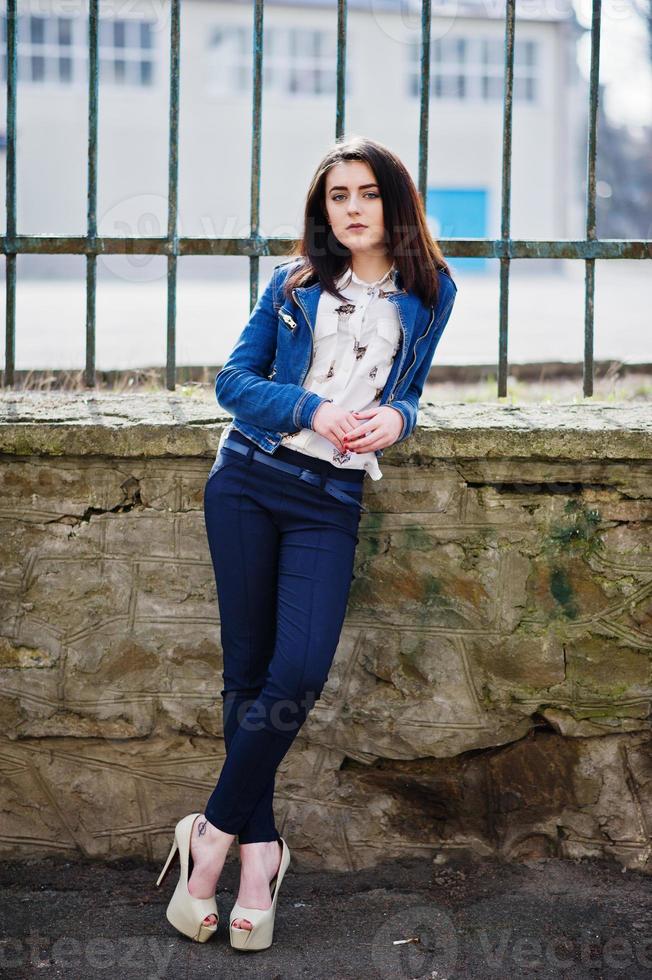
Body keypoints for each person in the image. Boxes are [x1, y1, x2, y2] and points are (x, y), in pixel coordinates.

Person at [156, 135, 458, 951]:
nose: (352, 209)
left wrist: (395, 419)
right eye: (337, 196)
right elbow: (232, 383)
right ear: (323, 209)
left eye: (367, 193)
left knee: (297, 671)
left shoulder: (433, 291)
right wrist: (309, 409)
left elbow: (414, 392)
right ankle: (259, 860)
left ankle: (208, 837)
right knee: (246, 672)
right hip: (249, 482)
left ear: (395, 203)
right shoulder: (292, 284)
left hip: (331, 497)